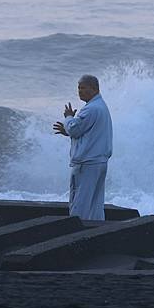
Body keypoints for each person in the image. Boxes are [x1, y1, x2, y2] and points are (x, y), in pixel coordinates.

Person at [53, 75, 113, 220]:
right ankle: (97, 232)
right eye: (79, 88)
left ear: (94, 89)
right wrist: (68, 131)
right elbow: (87, 133)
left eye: (83, 88)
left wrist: (68, 117)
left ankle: (77, 234)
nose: (80, 91)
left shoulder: (91, 109)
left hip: (87, 163)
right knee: (95, 205)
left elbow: (74, 128)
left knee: (80, 203)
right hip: (99, 162)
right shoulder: (101, 106)